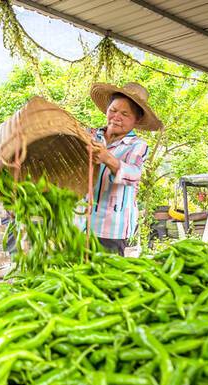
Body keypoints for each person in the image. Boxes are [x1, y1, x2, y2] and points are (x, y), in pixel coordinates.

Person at [84, 82, 163, 256]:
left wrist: (107, 158)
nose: (116, 117)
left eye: (125, 114)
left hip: (110, 228)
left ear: (136, 120)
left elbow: (134, 175)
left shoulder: (137, 145)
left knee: (105, 279)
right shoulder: (90, 135)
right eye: (113, 110)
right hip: (78, 225)